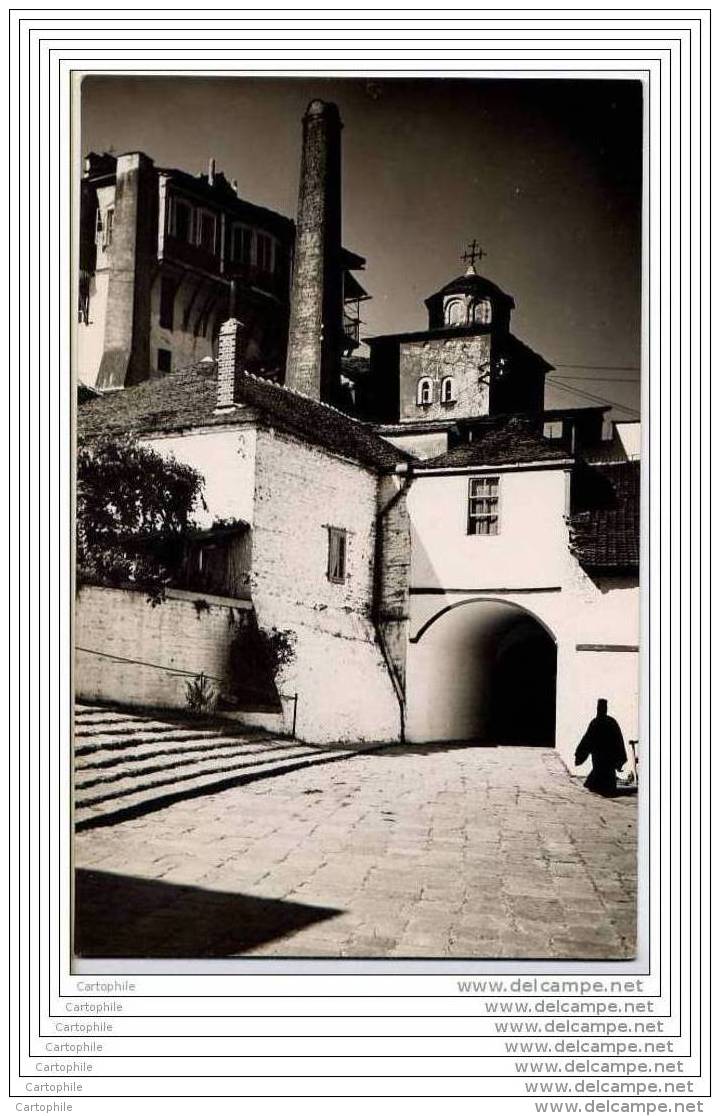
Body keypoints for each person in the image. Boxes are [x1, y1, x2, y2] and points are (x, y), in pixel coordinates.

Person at [575, 699, 627, 796]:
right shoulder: (607, 722)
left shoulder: (599, 722)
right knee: (602, 773)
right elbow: (587, 740)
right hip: (602, 757)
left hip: (603, 756)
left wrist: (580, 755)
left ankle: (599, 787)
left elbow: (586, 741)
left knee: (601, 773)